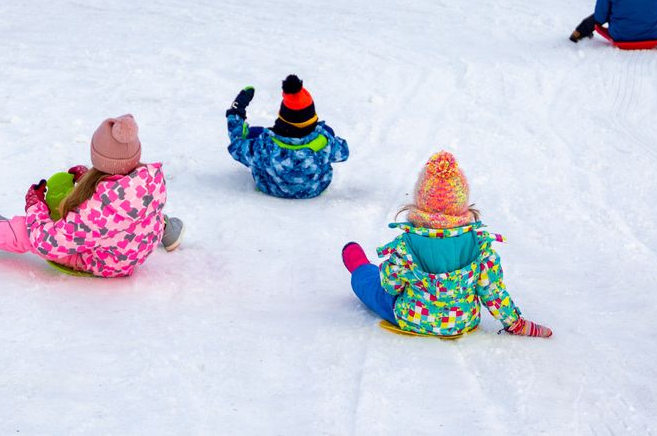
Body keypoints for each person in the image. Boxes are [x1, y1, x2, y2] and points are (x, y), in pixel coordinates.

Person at [340, 151, 552, 339]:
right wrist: (516, 323)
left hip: (412, 318)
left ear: (420, 201)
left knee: (374, 287)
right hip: (463, 321)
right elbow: (492, 291)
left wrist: (394, 271)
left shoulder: (406, 245)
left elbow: (390, 286)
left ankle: (360, 267)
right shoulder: (479, 246)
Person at [0, 114, 182, 277]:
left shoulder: (95, 213)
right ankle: (168, 230)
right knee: (141, 209)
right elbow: (119, 203)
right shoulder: (150, 178)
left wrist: (35, 206)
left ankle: (4, 229)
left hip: (106, 263)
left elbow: (48, 242)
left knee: (31, 232)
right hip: (137, 244)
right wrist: (86, 180)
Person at [225, 76, 350, 199]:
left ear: (283, 117)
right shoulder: (324, 143)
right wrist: (326, 136)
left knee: (254, 133)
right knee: (328, 130)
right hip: (314, 189)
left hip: (270, 187)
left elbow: (236, 145)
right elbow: (344, 153)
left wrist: (236, 112)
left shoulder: (264, 145)